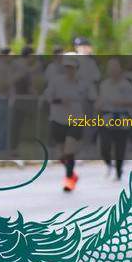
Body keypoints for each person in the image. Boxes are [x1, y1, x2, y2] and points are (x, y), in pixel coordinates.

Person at [42, 53, 96, 192]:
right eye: (67, 67)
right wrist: (60, 100)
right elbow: (48, 97)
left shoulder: (83, 84)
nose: (69, 70)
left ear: (77, 68)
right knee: (62, 155)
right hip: (58, 119)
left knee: (69, 150)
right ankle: (72, 174)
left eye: (72, 67)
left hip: (76, 120)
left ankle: (68, 180)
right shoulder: (56, 81)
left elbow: (92, 97)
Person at [96, 58, 132, 182]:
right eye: (111, 68)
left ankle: (118, 171)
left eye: (115, 67)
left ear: (119, 69)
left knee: (120, 147)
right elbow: (100, 100)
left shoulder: (126, 85)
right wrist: (98, 105)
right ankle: (108, 163)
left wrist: (119, 102)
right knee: (104, 146)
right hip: (107, 117)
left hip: (122, 117)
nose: (113, 70)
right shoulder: (104, 85)